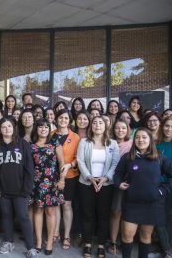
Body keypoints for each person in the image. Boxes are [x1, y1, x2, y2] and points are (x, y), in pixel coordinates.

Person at [114, 128, 172, 258]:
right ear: (134, 140)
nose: (140, 140)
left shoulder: (160, 158)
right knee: (127, 235)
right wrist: (119, 183)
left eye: (144, 137)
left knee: (146, 236)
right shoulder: (128, 157)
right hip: (132, 203)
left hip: (152, 204)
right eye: (137, 137)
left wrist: (162, 190)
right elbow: (117, 174)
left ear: (150, 140)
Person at [0, 117, 38, 257]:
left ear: (14, 128)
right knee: (6, 216)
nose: (6, 129)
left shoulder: (23, 144)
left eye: (9, 126)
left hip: (20, 191)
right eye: (3, 127)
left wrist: (27, 189)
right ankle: (8, 241)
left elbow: (29, 169)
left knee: (23, 217)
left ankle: (30, 247)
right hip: (3, 191)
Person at [77, 116, 120, 258]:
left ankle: (101, 244)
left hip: (106, 184)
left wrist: (106, 178)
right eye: (94, 123)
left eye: (100, 122)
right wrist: (89, 177)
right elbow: (80, 161)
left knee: (103, 215)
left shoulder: (112, 143)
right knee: (88, 214)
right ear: (91, 126)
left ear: (106, 126)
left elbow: (115, 163)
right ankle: (88, 243)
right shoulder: (84, 142)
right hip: (87, 183)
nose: (97, 125)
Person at [31, 118, 65, 255]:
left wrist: (62, 180)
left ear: (49, 129)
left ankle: (50, 241)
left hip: (51, 182)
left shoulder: (55, 143)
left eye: (46, 127)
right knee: (38, 211)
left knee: (50, 212)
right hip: (36, 183)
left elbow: (62, 163)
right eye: (40, 127)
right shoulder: (31, 146)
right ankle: (38, 241)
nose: (43, 129)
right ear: (37, 129)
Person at [52, 109, 80, 250]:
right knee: (55, 204)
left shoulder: (75, 137)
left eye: (66, 118)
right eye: (60, 118)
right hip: (52, 176)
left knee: (66, 205)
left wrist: (70, 164)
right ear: (56, 119)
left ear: (69, 120)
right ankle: (55, 232)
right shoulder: (51, 135)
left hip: (69, 176)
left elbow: (78, 157)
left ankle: (67, 235)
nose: (63, 120)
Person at [156, 116, 172, 257]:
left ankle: (165, 248)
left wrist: (161, 179)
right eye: (167, 125)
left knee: (168, 217)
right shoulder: (156, 143)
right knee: (158, 217)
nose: (169, 129)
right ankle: (164, 247)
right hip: (156, 186)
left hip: (171, 186)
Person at [109, 119, 133, 255]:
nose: (120, 130)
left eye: (123, 128)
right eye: (117, 128)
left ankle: (125, 241)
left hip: (125, 182)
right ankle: (112, 241)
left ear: (127, 130)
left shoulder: (131, 144)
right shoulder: (109, 143)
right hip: (109, 181)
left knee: (123, 212)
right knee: (114, 212)